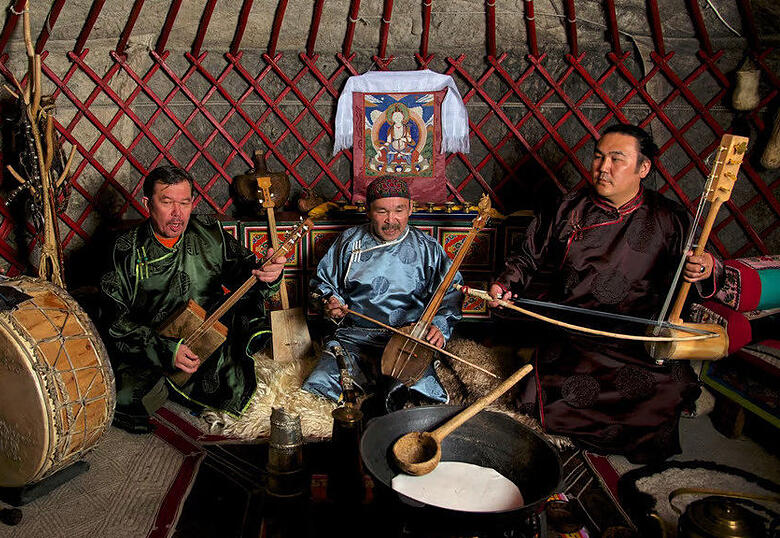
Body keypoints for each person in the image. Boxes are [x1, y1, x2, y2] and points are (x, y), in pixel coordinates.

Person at [488, 124, 719, 464]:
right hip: (574, 332)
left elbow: (701, 268)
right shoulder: (567, 208)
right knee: (549, 393)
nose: (603, 168)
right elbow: (527, 257)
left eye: (616, 159)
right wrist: (506, 285)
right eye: (598, 157)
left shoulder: (670, 217)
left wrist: (706, 268)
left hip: (637, 336)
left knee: (666, 389)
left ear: (643, 168)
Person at [100, 165, 286, 432]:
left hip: (207, 335)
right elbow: (114, 320)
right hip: (153, 342)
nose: (177, 213)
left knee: (243, 330)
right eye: (167, 202)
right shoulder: (125, 249)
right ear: (148, 204)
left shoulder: (209, 232)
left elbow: (248, 274)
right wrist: (166, 350)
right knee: (124, 398)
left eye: (184, 203)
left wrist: (269, 274)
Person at [303, 176, 463, 407]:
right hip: (354, 338)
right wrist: (331, 301)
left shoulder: (427, 248)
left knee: (422, 400)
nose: (391, 220)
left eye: (399, 210)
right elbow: (322, 283)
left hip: (407, 342)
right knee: (320, 384)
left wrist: (440, 325)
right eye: (382, 211)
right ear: (368, 211)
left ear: (410, 209)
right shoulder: (349, 242)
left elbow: (451, 291)